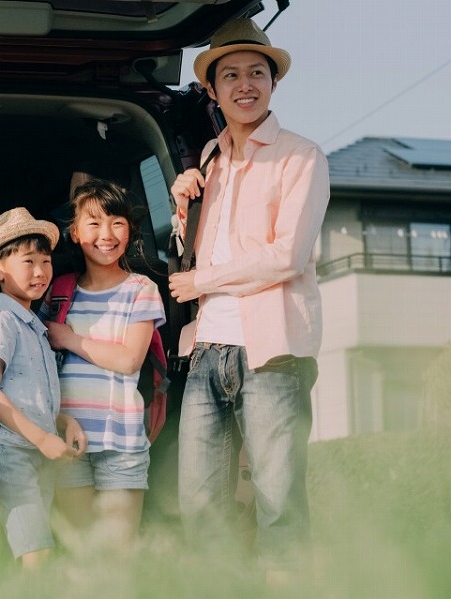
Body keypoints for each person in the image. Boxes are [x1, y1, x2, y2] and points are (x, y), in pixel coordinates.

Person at [167, 18, 330, 576]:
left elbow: (288, 255)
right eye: (230, 75)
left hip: (274, 350)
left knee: (279, 505)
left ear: (273, 83)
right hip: (207, 349)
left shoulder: (300, 156)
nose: (245, 85)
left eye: (256, 73)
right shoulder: (208, 159)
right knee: (200, 507)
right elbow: (193, 252)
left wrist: (203, 282)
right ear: (211, 90)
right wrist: (183, 206)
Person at [38, 179, 166, 550]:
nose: (106, 234)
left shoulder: (141, 289)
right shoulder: (58, 290)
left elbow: (128, 360)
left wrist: (69, 339)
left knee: (117, 555)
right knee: (80, 552)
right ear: (75, 233)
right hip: (66, 440)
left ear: (130, 230)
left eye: (116, 223)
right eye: (93, 223)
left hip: (120, 441)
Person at [0, 207, 86, 568]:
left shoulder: (34, 326)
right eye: (28, 261)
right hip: (11, 451)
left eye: (46, 261)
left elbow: (29, 395)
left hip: (35, 450)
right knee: (36, 551)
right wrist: (42, 438)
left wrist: (64, 422)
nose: (40, 271)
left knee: (33, 549)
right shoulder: (0, 320)